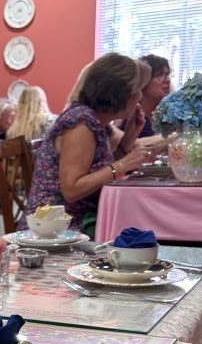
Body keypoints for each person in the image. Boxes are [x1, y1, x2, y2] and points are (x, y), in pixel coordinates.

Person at [21, 53, 151, 237]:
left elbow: (98, 170)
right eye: (137, 90)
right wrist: (124, 164)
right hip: (56, 229)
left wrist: (128, 139)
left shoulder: (96, 122)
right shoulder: (81, 123)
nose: (140, 96)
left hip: (74, 221)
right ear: (119, 93)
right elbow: (72, 190)